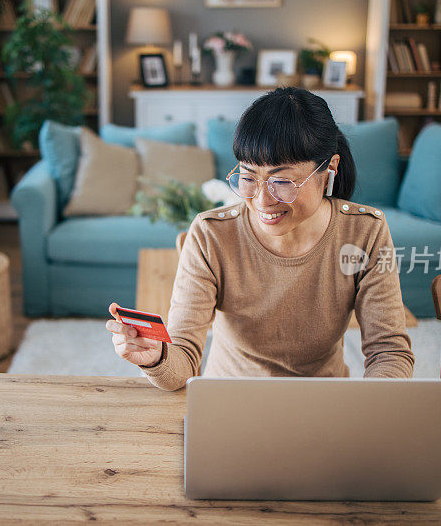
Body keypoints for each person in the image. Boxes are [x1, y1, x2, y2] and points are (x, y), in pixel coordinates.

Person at [105, 86, 414, 391]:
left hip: (323, 404)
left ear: (329, 168)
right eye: (249, 176)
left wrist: (376, 404)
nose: (262, 200)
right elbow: (183, 360)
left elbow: (389, 351)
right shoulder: (211, 234)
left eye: (282, 180)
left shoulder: (364, 231)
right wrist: (156, 357)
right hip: (229, 402)